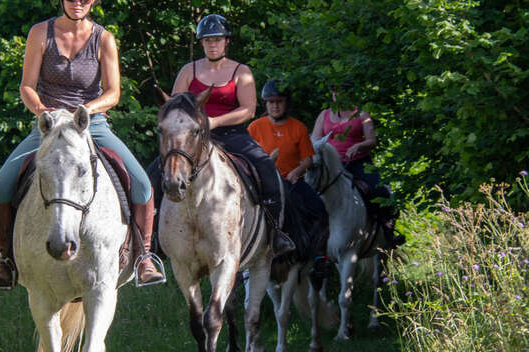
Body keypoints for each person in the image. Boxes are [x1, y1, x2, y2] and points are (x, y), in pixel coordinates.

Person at [0, 0, 163, 289]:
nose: (77, 1)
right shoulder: (40, 33)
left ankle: (144, 257)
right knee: (1, 186)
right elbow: (27, 86)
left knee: (143, 185)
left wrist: (86, 110)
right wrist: (43, 111)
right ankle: (6, 260)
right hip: (49, 126)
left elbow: (113, 92)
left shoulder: (104, 39)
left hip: (90, 125)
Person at [170, 14, 295, 255]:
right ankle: (151, 240)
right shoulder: (188, 70)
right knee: (158, 169)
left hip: (232, 134)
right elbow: (175, 106)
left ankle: (275, 232)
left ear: (227, 41)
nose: (212, 44)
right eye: (207, 40)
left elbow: (248, 110)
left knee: (266, 167)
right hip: (193, 137)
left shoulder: (241, 71)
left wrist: (214, 121)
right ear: (201, 43)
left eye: (217, 39)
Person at [248, 79, 331, 274]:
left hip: (291, 182)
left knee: (319, 208)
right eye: (271, 102)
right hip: (264, 184)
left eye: (279, 102)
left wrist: (296, 172)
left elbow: (307, 159)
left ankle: (319, 256)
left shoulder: (298, 128)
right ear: (265, 104)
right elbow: (247, 157)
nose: (275, 106)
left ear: (287, 103)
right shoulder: (255, 127)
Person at [311, 81, 405, 248]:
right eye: (335, 92)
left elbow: (371, 140)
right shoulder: (323, 115)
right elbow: (315, 139)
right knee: (310, 190)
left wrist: (358, 146)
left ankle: (387, 230)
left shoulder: (361, 114)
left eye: (342, 92)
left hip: (357, 162)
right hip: (332, 165)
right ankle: (311, 238)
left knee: (380, 191)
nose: (338, 96)